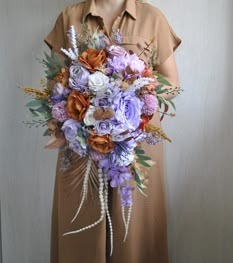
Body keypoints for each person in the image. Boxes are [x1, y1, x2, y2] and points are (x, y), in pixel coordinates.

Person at [44, 0, 181, 262]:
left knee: (135, 231)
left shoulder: (153, 18)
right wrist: (86, 102)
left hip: (135, 146)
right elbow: (55, 83)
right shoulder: (69, 17)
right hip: (80, 146)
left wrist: (135, 98)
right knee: (79, 226)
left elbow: (172, 83)